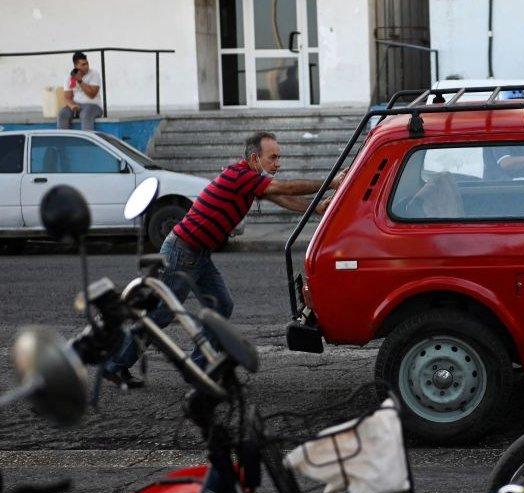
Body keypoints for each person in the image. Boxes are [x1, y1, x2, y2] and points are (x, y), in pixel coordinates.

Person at [100, 131, 346, 387]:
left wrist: (315, 208)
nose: (278, 163)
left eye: (279, 157)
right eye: (273, 158)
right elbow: (284, 188)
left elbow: (282, 198)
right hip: (182, 250)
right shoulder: (240, 176)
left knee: (221, 305)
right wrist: (330, 182)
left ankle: (197, 367)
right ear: (254, 158)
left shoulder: (249, 178)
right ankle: (115, 364)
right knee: (162, 312)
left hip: (198, 253)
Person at [57, 52, 103, 131]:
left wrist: (80, 81)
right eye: (83, 65)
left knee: (85, 114)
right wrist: (72, 105)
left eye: (87, 63)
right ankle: (63, 141)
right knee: (62, 114)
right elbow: (67, 97)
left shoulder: (94, 74)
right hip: (76, 105)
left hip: (93, 105)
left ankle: (88, 141)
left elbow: (92, 94)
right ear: (75, 66)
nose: (86, 66)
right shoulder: (69, 77)